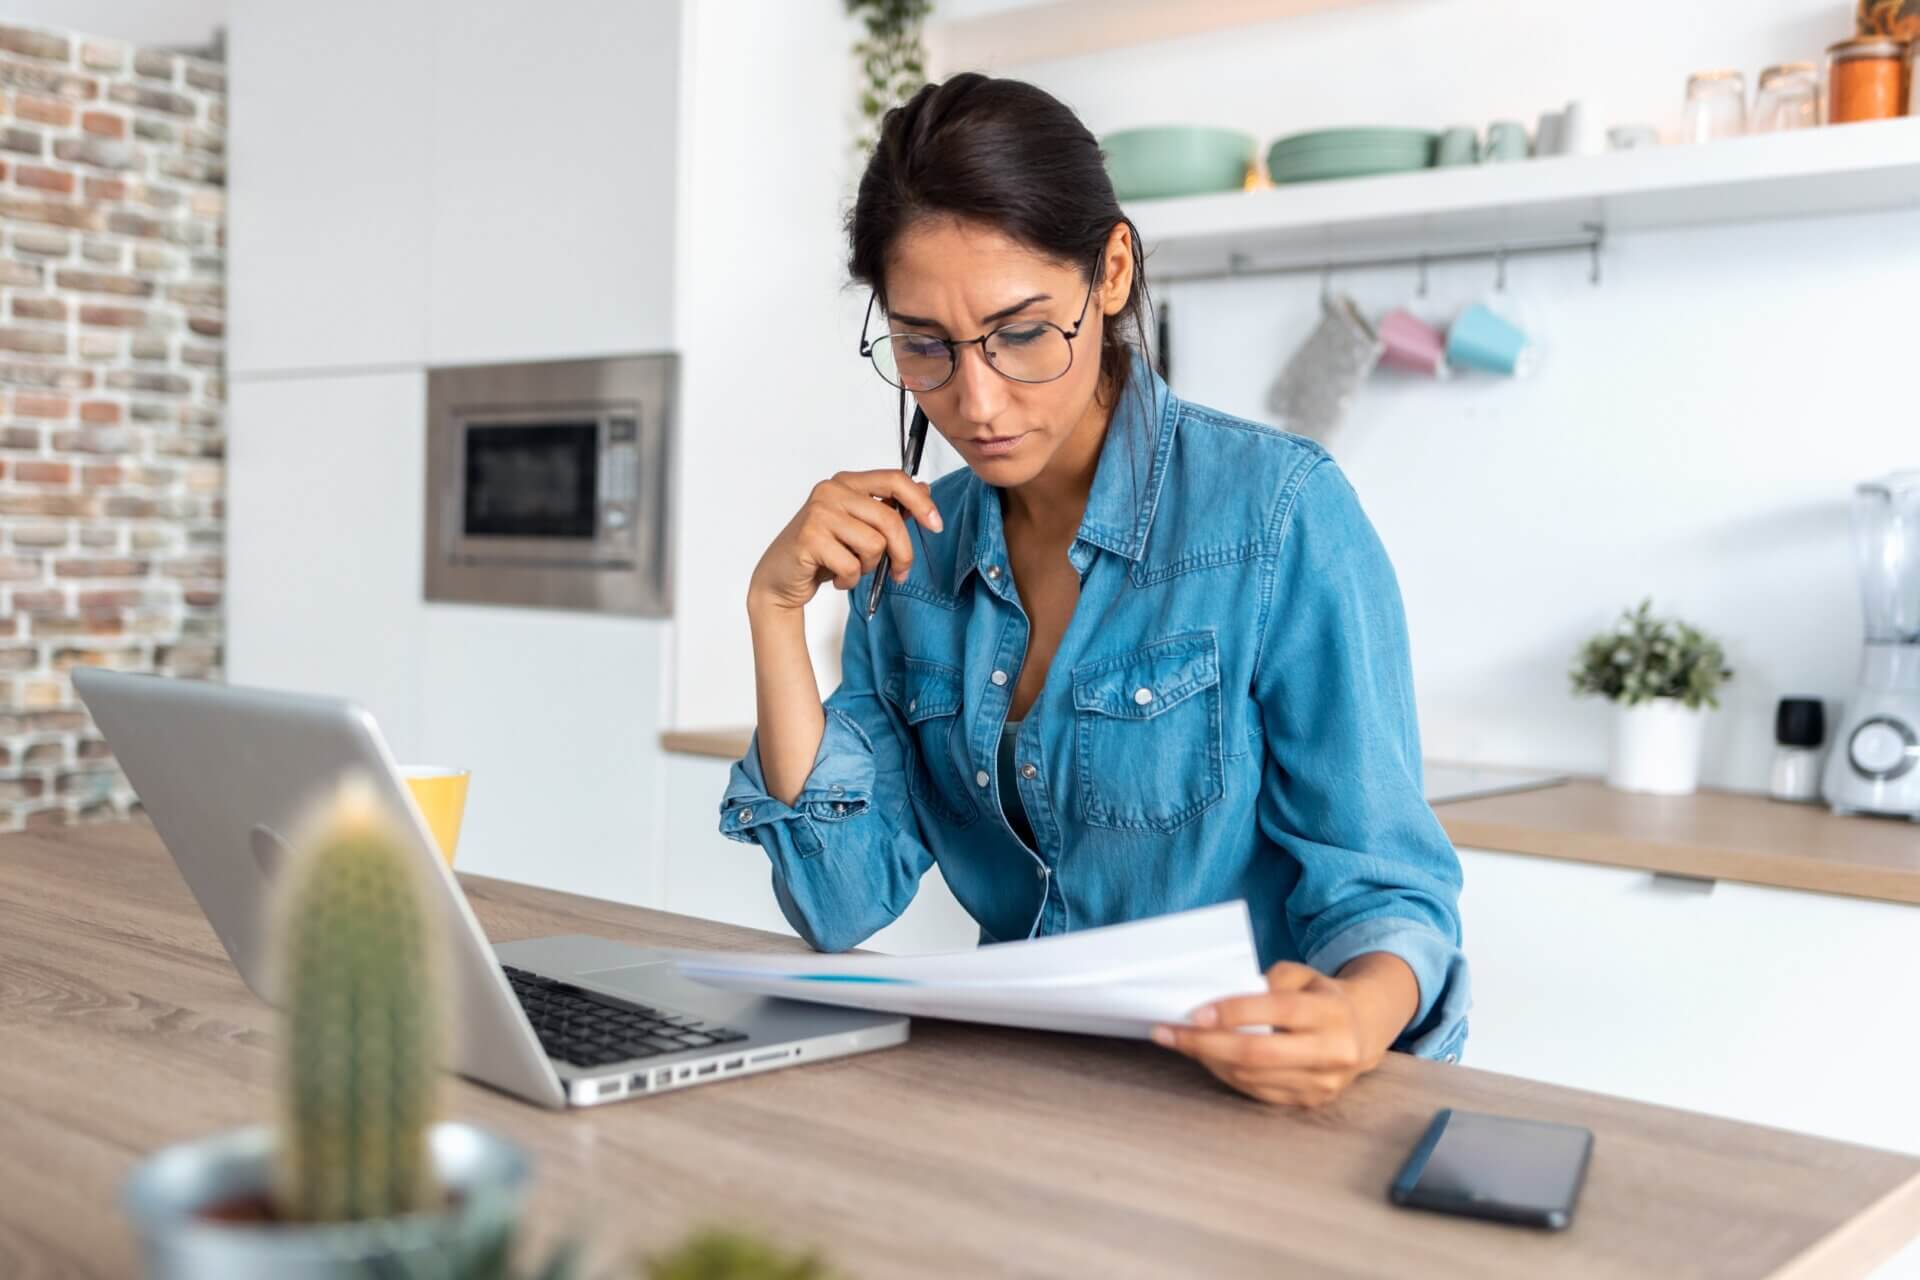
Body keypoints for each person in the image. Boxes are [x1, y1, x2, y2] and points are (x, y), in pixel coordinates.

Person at [719, 73, 1468, 1106]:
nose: (976, 402)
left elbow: (1389, 888)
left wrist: (1351, 1017)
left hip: (1244, 1111)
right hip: (1019, 1101)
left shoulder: (1278, 515)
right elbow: (838, 897)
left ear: (1111, 271)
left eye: (1022, 332)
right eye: (924, 345)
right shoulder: (914, 557)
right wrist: (774, 614)